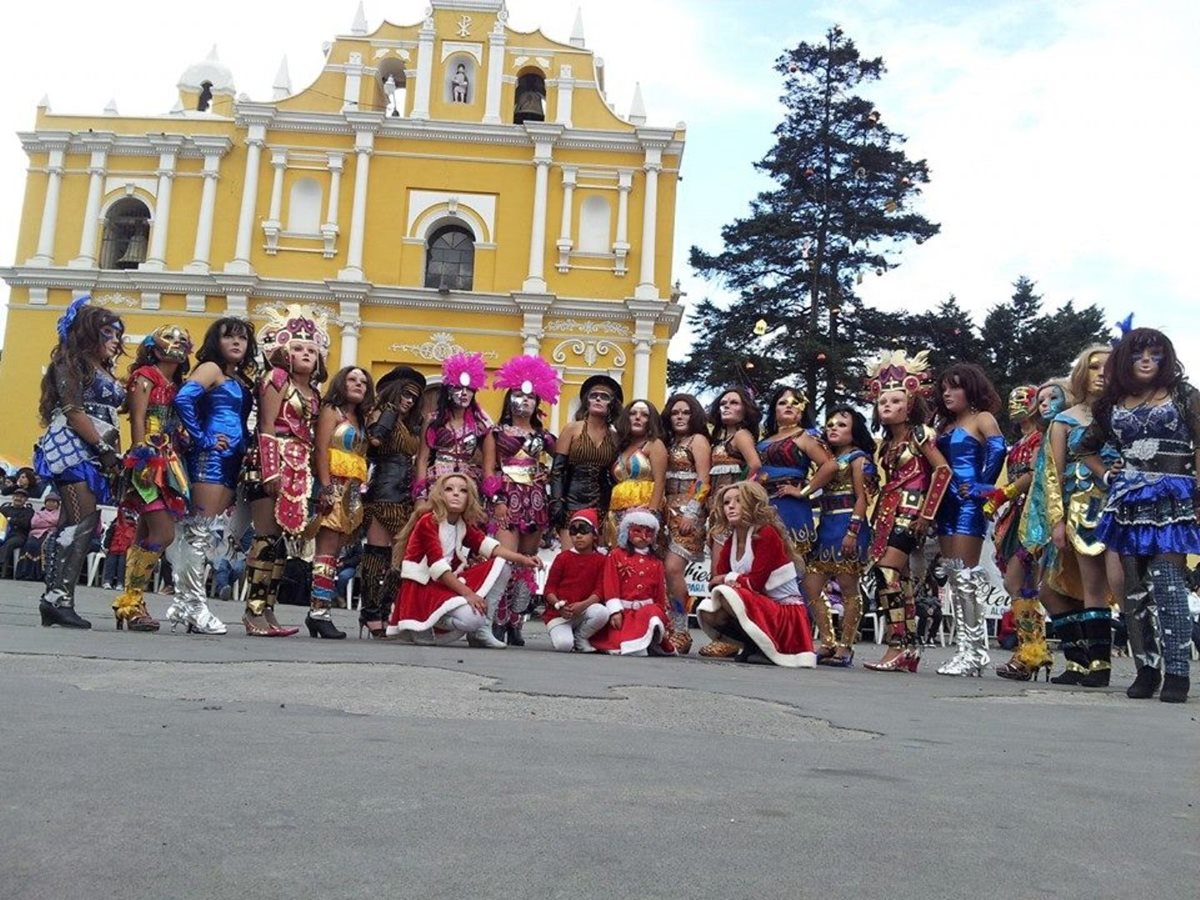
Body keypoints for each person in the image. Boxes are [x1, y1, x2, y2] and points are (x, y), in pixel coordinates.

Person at [1081, 327, 1199, 703]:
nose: (1146, 360)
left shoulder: (1184, 395)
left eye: (1155, 353)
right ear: (1125, 361)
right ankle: (1146, 670)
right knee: (1132, 590)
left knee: (1168, 583)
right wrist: (1106, 472)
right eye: (1138, 354)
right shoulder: (1110, 404)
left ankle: (1178, 673)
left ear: (1166, 358)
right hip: (1129, 501)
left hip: (1174, 498)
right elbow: (1085, 449)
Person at [33, 296, 126, 629]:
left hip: (96, 451)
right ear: (89, 333)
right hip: (73, 447)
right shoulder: (71, 362)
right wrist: (103, 447)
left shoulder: (104, 369)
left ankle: (57, 598)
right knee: (79, 522)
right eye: (108, 333)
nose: (115, 341)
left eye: (117, 335)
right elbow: (74, 412)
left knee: (81, 523)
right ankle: (57, 599)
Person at [862, 349, 952, 672]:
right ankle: (908, 648)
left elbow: (941, 472)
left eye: (896, 401)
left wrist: (927, 514)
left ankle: (897, 643)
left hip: (910, 508)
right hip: (887, 508)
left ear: (910, 404)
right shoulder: (885, 444)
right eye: (883, 402)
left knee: (886, 573)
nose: (888, 406)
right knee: (898, 578)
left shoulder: (920, 435)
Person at [243, 307, 327, 637]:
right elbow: (265, 424)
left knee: (280, 543)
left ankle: (269, 610)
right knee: (265, 538)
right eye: (297, 348)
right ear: (283, 352)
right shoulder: (276, 379)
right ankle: (253, 611)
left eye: (311, 349)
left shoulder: (316, 394)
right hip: (271, 461)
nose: (305, 354)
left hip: (298, 466)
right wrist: (269, 471)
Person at [384, 473, 542, 646]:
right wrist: (469, 594)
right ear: (439, 495)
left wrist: (523, 559)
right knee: (470, 619)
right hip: (423, 588)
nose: (456, 493)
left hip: (446, 584)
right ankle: (426, 622)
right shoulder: (428, 521)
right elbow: (438, 568)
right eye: (449, 489)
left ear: (470, 498)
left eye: (463, 490)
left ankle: (482, 630)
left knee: (501, 565)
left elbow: (489, 546)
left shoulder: (462, 523)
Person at [172, 317, 257, 635]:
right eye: (229, 337)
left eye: (243, 338)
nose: (237, 343)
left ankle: (184, 603)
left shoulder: (237, 377)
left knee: (199, 534)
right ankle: (195, 606)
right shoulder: (211, 368)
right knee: (197, 534)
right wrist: (202, 438)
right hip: (210, 457)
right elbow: (183, 398)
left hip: (230, 459)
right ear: (215, 341)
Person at [111, 325, 193, 631]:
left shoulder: (176, 384)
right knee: (162, 534)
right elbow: (139, 419)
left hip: (171, 461)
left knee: (144, 534)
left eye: (182, 340)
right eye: (170, 339)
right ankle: (132, 600)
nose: (176, 345)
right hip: (149, 462)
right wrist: (142, 456)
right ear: (154, 346)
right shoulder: (145, 375)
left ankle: (132, 604)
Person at [1044, 345, 1117, 686]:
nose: (1102, 372)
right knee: (1081, 586)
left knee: (1115, 584)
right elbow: (1052, 474)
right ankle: (1090, 662)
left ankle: (1112, 663)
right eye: (1094, 366)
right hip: (1080, 512)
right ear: (1081, 373)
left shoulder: (1126, 414)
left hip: (1123, 508)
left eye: (1109, 366)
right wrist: (1056, 520)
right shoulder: (1064, 421)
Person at [932, 362, 1006, 677]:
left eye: (956, 386)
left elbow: (999, 447)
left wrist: (983, 486)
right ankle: (967, 650)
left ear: (971, 389)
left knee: (965, 577)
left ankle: (974, 652)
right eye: (944, 388)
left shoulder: (982, 418)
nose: (948, 393)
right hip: (944, 503)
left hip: (968, 502)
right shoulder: (944, 425)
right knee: (954, 578)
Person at [695, 481, 818, 667]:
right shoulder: (732, 539)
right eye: (727, 503)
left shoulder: (767, 534)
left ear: (753, 504)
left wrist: (726, 579)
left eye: (738, 501)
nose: (731, 507)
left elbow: (755, 583)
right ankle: (753, 644)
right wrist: (725, 580)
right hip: (761, 606)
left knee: (729, 595)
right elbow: (717, 580)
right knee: (710, 611)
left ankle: (766, 646)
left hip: (785, 614)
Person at [489, 354, 560, 645]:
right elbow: (490, 469)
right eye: (519, 394)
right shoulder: (495, 432)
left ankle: (516, 622)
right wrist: (497, 499)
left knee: (526, 564)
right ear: (509, 398)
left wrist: (548, 475)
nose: (525, 401)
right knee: (505, 561)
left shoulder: (546, 437)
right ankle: (497, 618)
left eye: (531, 396)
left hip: (535, 500)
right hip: (507, 497)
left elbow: (565, 462)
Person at [987, 385, 1054, 680]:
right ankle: (1032, 652)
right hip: (1016, 513)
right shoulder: (1020, 441)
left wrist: (1001, 495)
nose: (1017, 405)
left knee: (1021, 580)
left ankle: (1034, 651)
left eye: (1025, 399)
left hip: (1034, 513)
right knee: (1020, 584)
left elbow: (1034, 475)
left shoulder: (1042, 438)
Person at [359, 365, 426, 637]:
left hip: (404, 496)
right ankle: (371, 614)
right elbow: (374, 439)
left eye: (414, 397)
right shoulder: (385, 414)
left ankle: (385, 611)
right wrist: (386, 414)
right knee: (377, 554)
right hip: (383, 493)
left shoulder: (410, 424)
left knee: (398, 558)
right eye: (406, 394)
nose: (409, 400)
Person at [307, 366, 374, 639]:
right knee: (327, 550)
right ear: (340, 383)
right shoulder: (331, 411)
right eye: (352, 379)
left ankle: (321, 612)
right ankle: (318, 613)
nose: (358, 384)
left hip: (354, 489)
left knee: (337, 553)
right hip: (333, 484)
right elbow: (321, 449)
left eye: (363, 381)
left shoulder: (362, 419)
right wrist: (325, 487)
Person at [809, 407, 878, 665]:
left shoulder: (860, 459)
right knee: (812, 586)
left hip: (848, 526)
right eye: (830, 425)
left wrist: (853, 531)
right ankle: (827, 641)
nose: (833, 428)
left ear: (854, 430)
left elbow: (863, 498)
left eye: (841, 424)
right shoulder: (826, 460)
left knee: (849, 588)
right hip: (826, 526)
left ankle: (846, 647)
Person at [662, 392, 711, 653]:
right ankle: (668, 625)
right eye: (675, 413)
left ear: (694, 415)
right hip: (665, 509)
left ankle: (681, 630)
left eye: (685, 412)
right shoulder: (668, 442)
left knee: (673, 569)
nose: (679, 417)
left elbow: (703, 479)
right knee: (663, 572)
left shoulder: (698, 440)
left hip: (687, 511)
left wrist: (692, 511)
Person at [588, 508, 674, 656]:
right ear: (627, 532)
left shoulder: (656, 562)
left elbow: (659, 593)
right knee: (619, 642)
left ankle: (650, 638)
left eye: (649, 533)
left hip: (646, 612)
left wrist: (663, 615)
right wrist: (615, 611)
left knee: (652, 612)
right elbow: (610, 584)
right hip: (624, 612)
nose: (643, 536)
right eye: (638, 531)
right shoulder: (616, 555)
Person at [549, 375, 623, 540]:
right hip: (571, 501)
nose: (598, 398)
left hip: (603, 502)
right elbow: (557, 471)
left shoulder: (615, 437)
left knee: (596, 556)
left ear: (612, 404)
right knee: (570, 556)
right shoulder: (571, 429)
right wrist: (556, 502)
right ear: (586, 401)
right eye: (593, 395)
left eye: (604, 397)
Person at [541, 508, 609, 652]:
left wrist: (583, 605)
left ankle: (580, 637)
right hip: (560, 614)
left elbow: (600, 590)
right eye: (573, 531)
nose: (578, 536)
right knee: (564, 646)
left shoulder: (602, 560)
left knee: (602, 612)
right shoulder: (563, 558)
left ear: (594, 535)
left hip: (584, 611)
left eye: (584, 531)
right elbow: (549, 589)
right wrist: (558, 605)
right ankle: (568, 637)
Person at [707, 386, 763, 552]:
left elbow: (755, 464)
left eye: (734, 403)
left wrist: (738, 493)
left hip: (731, 506)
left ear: (745, 410)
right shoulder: (720, 439)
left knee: (721, 558)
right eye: (723, 403)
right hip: (717, 504)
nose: (726, 406)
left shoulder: (741, 435)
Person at [607, 399, 668, 544]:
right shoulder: (621, 446)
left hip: (644, 512)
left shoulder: (654, 444)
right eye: (633, 413)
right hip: (616, 511)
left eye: (644, 415)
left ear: (651, 420)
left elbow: (660, 481)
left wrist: (651, 514)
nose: (638, 417)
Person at [16, 493, 61, 581]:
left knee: (44, 546)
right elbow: (34, 523)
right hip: (36, 534)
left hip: (51, 534)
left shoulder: (60, 513)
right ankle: (26, 572)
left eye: (53, 502)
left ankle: (40, 574)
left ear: (57, 504)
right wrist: (50, 522)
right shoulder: (38, 513)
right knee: (30, 544)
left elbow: (58, 522)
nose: (51, 504)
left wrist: (44, 521)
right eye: (49, 501)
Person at [0, 488, 34, 575]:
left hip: (19, 535)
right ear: (13, 497)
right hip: (3, 533)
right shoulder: (5, 509)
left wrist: (10, 519)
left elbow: (25, 524)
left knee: (9, 544)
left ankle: (2, 568)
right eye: (16, 496)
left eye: (21, 497)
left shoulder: (28, 511)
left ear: (26, 500)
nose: (18, 498)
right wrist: (14, 520)